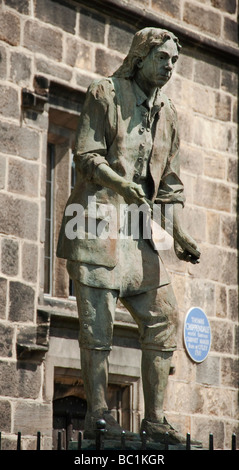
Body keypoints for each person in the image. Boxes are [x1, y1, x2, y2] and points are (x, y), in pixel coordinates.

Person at [57, 27, 201, 445]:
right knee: (97, 326)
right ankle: (98, 413)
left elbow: (170, 186)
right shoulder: (104, 94)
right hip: (95, 222)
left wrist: (179, 232)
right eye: (163, 58)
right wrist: (121, 185)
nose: (169, 67)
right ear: (141, 56)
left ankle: (156, 419)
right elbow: (86, 155)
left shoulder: (169, 114)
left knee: (164, 317)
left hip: (138, 231)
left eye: (174, 61)